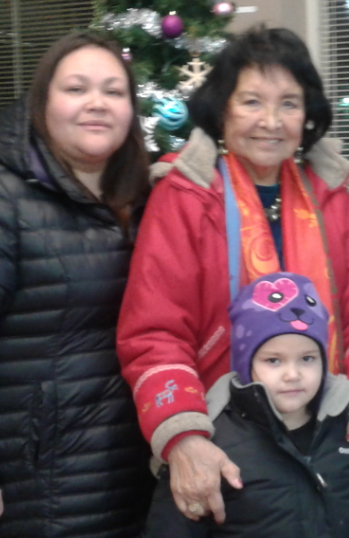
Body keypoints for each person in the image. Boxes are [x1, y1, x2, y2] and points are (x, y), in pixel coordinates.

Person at [117, 26, 349, 525]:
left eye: (289, 104)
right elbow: (155, 332)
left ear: (307, 115)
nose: (271, 121)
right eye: (252, 101)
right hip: (224, 450)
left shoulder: (329, 196)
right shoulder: (185, 197)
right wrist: (184, 438)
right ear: (223, 109)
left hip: (326, 445)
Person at [0, 32, 152, 537]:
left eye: (114, 91)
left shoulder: (145, 198)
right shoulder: (9, 197)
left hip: (134, 470)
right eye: (76, 88)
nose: (96, 104)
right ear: (43, 101)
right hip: (39, 478)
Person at [144, 271, 349, 538]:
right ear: (245, 363)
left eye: (307, 358)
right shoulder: (210, 446)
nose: (292, 374)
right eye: (273, 360)